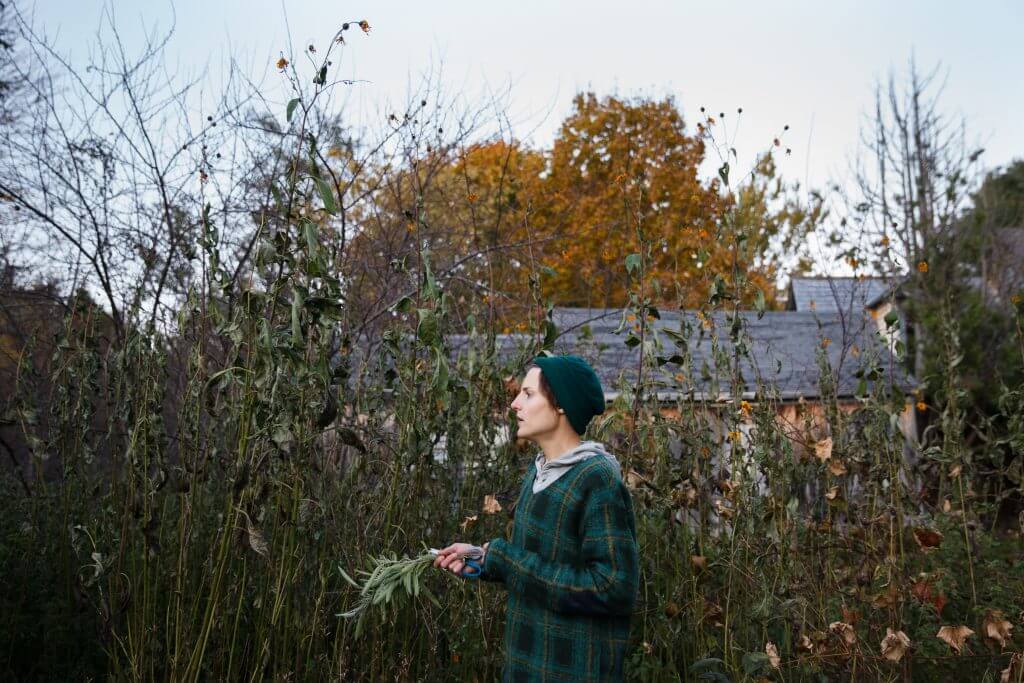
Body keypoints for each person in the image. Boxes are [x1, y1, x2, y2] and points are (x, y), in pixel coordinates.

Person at [434, 354, 640, 681]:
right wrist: (483, 558)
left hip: (571, 671)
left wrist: (505, 559)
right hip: (526, 666)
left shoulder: (596, 479)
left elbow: (613, 588)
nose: (515, 404)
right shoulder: (539, 472)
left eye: (528, 394)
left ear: (560, 404)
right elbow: (536, 563)